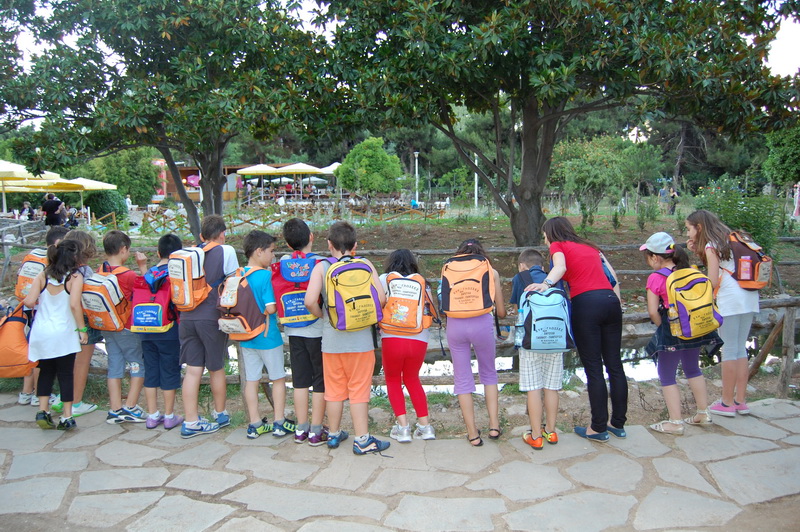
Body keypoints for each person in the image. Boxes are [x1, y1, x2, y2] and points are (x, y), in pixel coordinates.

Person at [527, 217, 626, 442]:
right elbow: (613, 277)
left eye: (545, 235)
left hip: (587, 303)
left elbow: (560, 267)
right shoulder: (591, 247)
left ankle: (598, 427)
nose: (545, 240)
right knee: (615, 365)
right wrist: (616, 304)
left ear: (551, 233)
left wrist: (545, 284)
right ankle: (618, 424)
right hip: (611, 302)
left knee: (594, 368)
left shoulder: (558, 245)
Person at [304, 221, 390, 455]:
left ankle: (333, 434)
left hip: (332, 342)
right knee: (359, 390)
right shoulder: (365, 264)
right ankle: (362, 440)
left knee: (334, 390)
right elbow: (381, 299)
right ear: (355, 245)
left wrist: (324, 316)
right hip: (361, 342)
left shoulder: (321, 267)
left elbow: (309, 301)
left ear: (329, 244)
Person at [640, 232, 718, 434]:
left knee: (667, 375)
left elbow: (652, 311)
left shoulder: (656, 277)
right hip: (695, 326)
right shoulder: (690, 271)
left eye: (648, 257)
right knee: (693, 368)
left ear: (655, 257)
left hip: (672, 328)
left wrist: (663, 327)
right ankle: (703, 413)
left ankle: (675, 422)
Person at [685, 210, 758, 417]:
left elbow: (713, 280)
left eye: (689, 229)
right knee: (740, 349)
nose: (688, 233)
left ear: (699, 227)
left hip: (730, 299)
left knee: (729, 350)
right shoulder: (734, 238)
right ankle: (740, 401)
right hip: (749, 296)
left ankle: (726, 403)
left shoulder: (712, 245)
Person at [180, 215, 239, 438]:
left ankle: (191, 421)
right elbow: (233, 283)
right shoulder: (226, 251)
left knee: (192, 369)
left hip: (186, 317)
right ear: (222, 234)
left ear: (201, 235)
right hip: (211, 317)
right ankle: (220, 413)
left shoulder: (188, 253)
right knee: (216, 367)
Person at [445, 238, 506, 447]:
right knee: (489, 373)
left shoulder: (449, 268)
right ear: (481, 253)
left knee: (462, 379)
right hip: (481, 324)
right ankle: (494, 426)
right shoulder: (491, 271)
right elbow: (500, 311)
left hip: (455, 325)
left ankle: (472, 434)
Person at [24, 239, 88, 430]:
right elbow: (74, 305)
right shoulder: (75, 277)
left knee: (45, 371)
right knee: (66, 374)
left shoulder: (43, 274)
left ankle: (42, 411)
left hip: (41, 331)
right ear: (74, 256)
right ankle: (66, 416)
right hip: (63, 333)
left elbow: (29, 301)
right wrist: (82, 330)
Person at [240, 230, 296, 439]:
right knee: (278, 378)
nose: (273, 256)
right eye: (271, 251)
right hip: (267, 336)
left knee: (251, 380)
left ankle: (255, 424)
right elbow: (271, 307)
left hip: (246, 337)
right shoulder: (265, 275)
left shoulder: (238, 274)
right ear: (259, 251)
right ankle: (279, 422)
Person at [379, 249, 436, 443]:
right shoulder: (422, 282)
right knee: (412, 379)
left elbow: (378, 303)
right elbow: (430, 310)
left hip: (392, 337)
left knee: (393, 380)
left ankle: (403, 428)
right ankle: (425, 427)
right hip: (418, 338)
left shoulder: (384, 279)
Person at [280, 218, 327, 445]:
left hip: (293, 329)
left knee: (299, 380)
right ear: (311, 237)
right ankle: (316, 430)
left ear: (288, 244)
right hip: (317, 331)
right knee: (319, 381)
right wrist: (320, 315)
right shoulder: (320, 263)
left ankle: (301, 429)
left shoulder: (283, 261)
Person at [510, 249, 562, 450]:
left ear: (522, 265)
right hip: (556, 338)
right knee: (551, 386)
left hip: (531, 340)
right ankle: (551, 431)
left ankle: (536, 435)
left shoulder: (520, 278)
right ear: (542, 266)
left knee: (533, 387)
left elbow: (517, 308)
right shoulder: (554, 278)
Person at [17, 225, 70, 408]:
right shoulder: (52, 264)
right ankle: (38, 397)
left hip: (30, 313)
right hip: (46, 315)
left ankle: (26, 392)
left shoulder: (31, 257)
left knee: (34, 354)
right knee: (45, 361)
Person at [51, 230, 100, 417]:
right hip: (81, 319)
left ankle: (62, 397)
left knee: (66, 361)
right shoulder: (84, 272)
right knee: (82, 362)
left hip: (62, 319)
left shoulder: (57, 268)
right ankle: (76, 402)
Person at [100, 230, 148, 424]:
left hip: (107, 326)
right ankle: (130, 406)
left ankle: (115, 409)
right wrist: (143, 266)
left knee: (115, 365)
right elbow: (148, 289)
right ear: (123, 249)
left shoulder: (100, 271)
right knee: (138, 364)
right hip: (126, 327)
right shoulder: (128, 275)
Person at [137, 234, 184, 430]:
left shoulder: (149, 274)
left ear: (158, 253)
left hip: (146, 329)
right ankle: (169, 416)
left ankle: (152, 415)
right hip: (169, 331)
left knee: (151, 373)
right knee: (169, 371)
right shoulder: (176, 275)